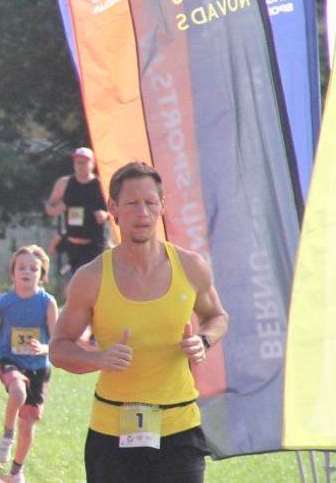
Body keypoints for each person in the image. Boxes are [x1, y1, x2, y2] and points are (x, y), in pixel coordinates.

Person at [50, 162, 228, 483]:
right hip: (113, 429)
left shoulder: (190, 266)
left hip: (179, 428)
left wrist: (203, 341)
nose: (142, 212)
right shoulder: (90, 278)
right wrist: (98, 359)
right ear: (114, 208)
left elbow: (217, 316)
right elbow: (59, 349)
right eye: (132, 203)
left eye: (150, 202)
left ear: (162, 206)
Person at [0, 246, 57, 483]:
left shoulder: (47, 302)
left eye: (33, 269)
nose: (27, 272)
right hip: (9, 359)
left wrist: (43, 348)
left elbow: (56, 340)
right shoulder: (5, 302)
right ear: (13, 273)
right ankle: (6, 435)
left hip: (38, 366)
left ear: (42, 275)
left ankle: (17, 469)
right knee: (17, 391)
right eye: (21, 268)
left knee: (29, 422)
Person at [43, 148, 110, 279]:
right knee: (75, 281)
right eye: (78, 162)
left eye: (85, 162)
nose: (81, 166)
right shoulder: (64, 183)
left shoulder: (102, 184)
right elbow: (49, 206)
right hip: (72, 243)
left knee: (87, 280)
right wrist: (55, 210)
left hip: (95, 243)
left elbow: (118, 209)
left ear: (93, 164)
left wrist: (105, 215)